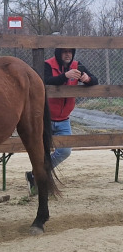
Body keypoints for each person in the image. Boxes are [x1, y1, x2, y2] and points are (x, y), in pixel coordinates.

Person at [25, 48, 98, 194]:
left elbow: (95, 80)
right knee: (41, 151)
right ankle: (39, 178)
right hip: (45, 118)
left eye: (70, 52)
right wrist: (65, 76)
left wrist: (87, 79)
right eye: (64, 52)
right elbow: (45, 81)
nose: (67, 54)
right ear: (58, 53)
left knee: (65, 151)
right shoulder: (47, 64)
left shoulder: (77, 65)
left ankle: (34, 174)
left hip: (64, 119)